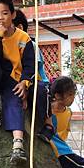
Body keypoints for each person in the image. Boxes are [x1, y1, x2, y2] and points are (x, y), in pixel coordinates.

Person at [0, 0, 43, 163]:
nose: (0, 18)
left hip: (14, 78)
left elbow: (29, 65)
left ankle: (18, 144)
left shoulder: (23, 38)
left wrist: (24, 83)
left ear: (13, 15)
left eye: (5, 13)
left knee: (15, 98)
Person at [12, 9, 54, 142]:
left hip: (35, 80)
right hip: (17, 82)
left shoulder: (30, 44)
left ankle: (48, 124)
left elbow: (32, 70)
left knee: (41, 90)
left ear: (19, 27)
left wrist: (25, 88)